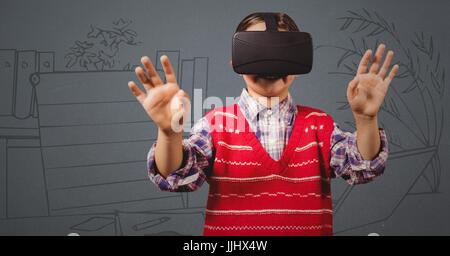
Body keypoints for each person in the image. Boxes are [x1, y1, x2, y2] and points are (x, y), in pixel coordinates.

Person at [127, 12, 398, 236]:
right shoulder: (217, 124)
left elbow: (362, 166)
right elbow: (177, 175)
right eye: (258, 50)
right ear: (236, 62)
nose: (270, 62)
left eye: (282, 52)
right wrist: (169, 131)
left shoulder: (319, 125)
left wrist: (366, 119)